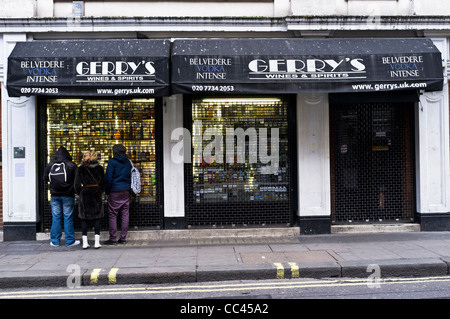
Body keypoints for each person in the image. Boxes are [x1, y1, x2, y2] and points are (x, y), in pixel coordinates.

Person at [43, 146, 79, 247]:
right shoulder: (72, 165)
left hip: (54, 195)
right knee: (68, 217)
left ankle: (55, 241)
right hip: (68, 195)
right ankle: (69, 241)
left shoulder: (50, 165)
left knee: (56, 217)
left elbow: (45, 178)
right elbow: (77, 181)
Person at [74, 150, 106, 249]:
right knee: (97, 217)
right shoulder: (99, 168)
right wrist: (100, 191)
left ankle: (85, 242)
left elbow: (76, 184)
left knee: (84, 218)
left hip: (85, 193)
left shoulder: (81, 168)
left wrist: (80, 192)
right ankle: (96, 242)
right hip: (96, 192)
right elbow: (103, 183)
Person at [104, 144, 132, 245]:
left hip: (115, 191)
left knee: (112, 214)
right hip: (126, 191)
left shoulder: (112, 162)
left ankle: (113, 239)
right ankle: (123, 238)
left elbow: (108, 177)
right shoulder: (128, 162)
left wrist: (107, 191)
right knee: (125, 214)